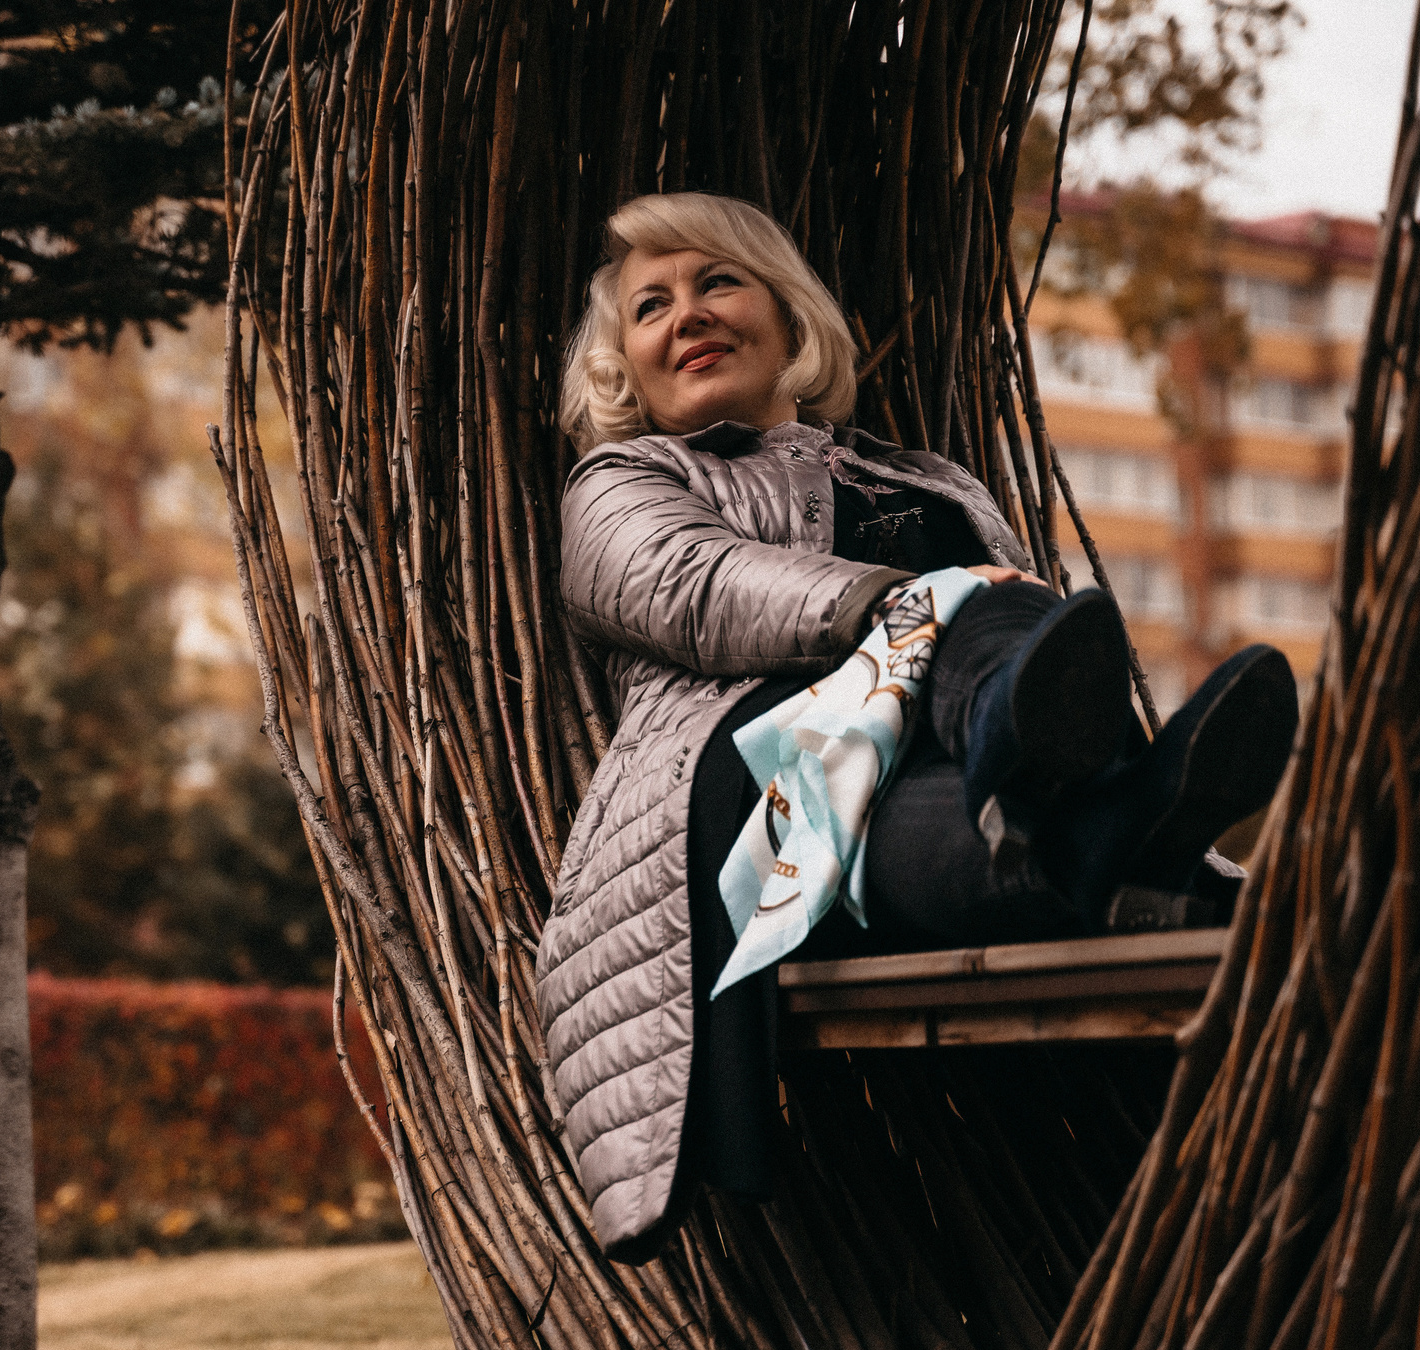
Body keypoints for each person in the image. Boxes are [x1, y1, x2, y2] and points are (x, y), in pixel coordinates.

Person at [536, 191, 1299, 1262]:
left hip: (926, 796)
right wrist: (910, 603)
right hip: (776, 798)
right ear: (625, 363)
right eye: (650, 305)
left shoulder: (928, 479)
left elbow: (1048, 659)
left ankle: (1086, 816)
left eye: (718, 281)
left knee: (1015, 652)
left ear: (787, 315)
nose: (687, 313)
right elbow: (687, 583)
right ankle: (1087, 791)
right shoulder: (627, 480)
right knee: (987, 607)